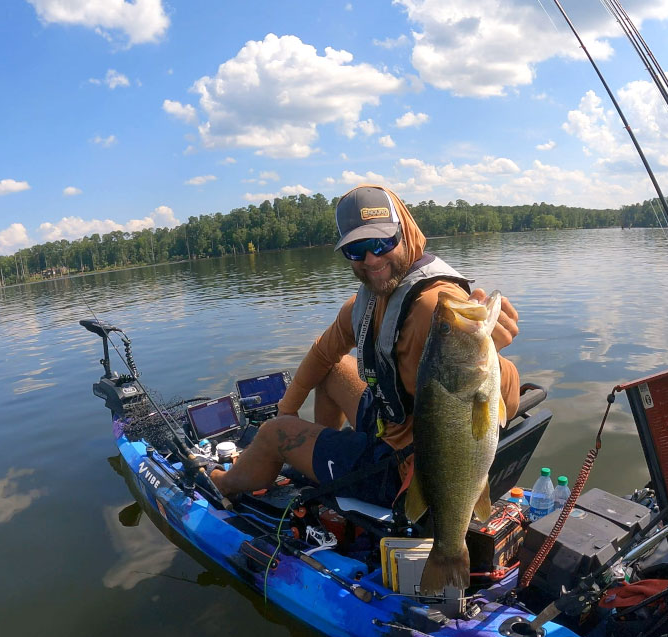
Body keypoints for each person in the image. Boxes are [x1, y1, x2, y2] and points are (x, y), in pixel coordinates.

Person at [209, 185, 521, 507]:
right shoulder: (369, 298)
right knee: (332, 369)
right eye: (356, 249)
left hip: (403, 470)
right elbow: (321, 354)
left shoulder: (435, 306)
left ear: (406, 231)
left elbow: (503, 404)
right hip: (386, 425)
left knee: (274, 433)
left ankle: (223, 482)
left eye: (383, 242)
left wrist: (490, 355)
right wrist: (288, 411)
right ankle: (321, 465)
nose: (371, 259)